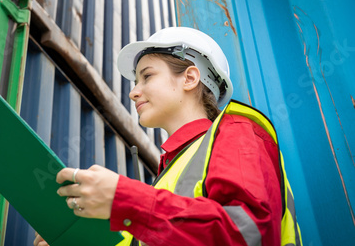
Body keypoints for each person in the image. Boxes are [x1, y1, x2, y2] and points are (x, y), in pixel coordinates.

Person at [34, 27, 302, 246]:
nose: (133, 92)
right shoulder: (167, 182)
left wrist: (125, 200)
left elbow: (248, 235)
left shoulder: (237, 131)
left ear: (189, 78)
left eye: (146, 76)